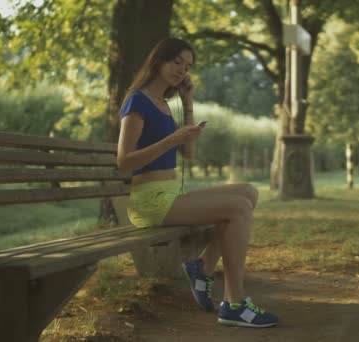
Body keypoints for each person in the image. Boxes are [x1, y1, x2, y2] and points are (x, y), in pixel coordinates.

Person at [116, 38, 278, 328]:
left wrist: (188, 105)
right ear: (159, 60)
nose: (182, 69)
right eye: (177, 61)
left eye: (187, 66)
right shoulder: (137, 100)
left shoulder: (166, 105)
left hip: (170, 193)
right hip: (149, 201)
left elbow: (188, 154)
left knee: (248, 193)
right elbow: (124, 161)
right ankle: (234, 303)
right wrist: (171, 140)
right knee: (238, 208)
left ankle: (202, 266)